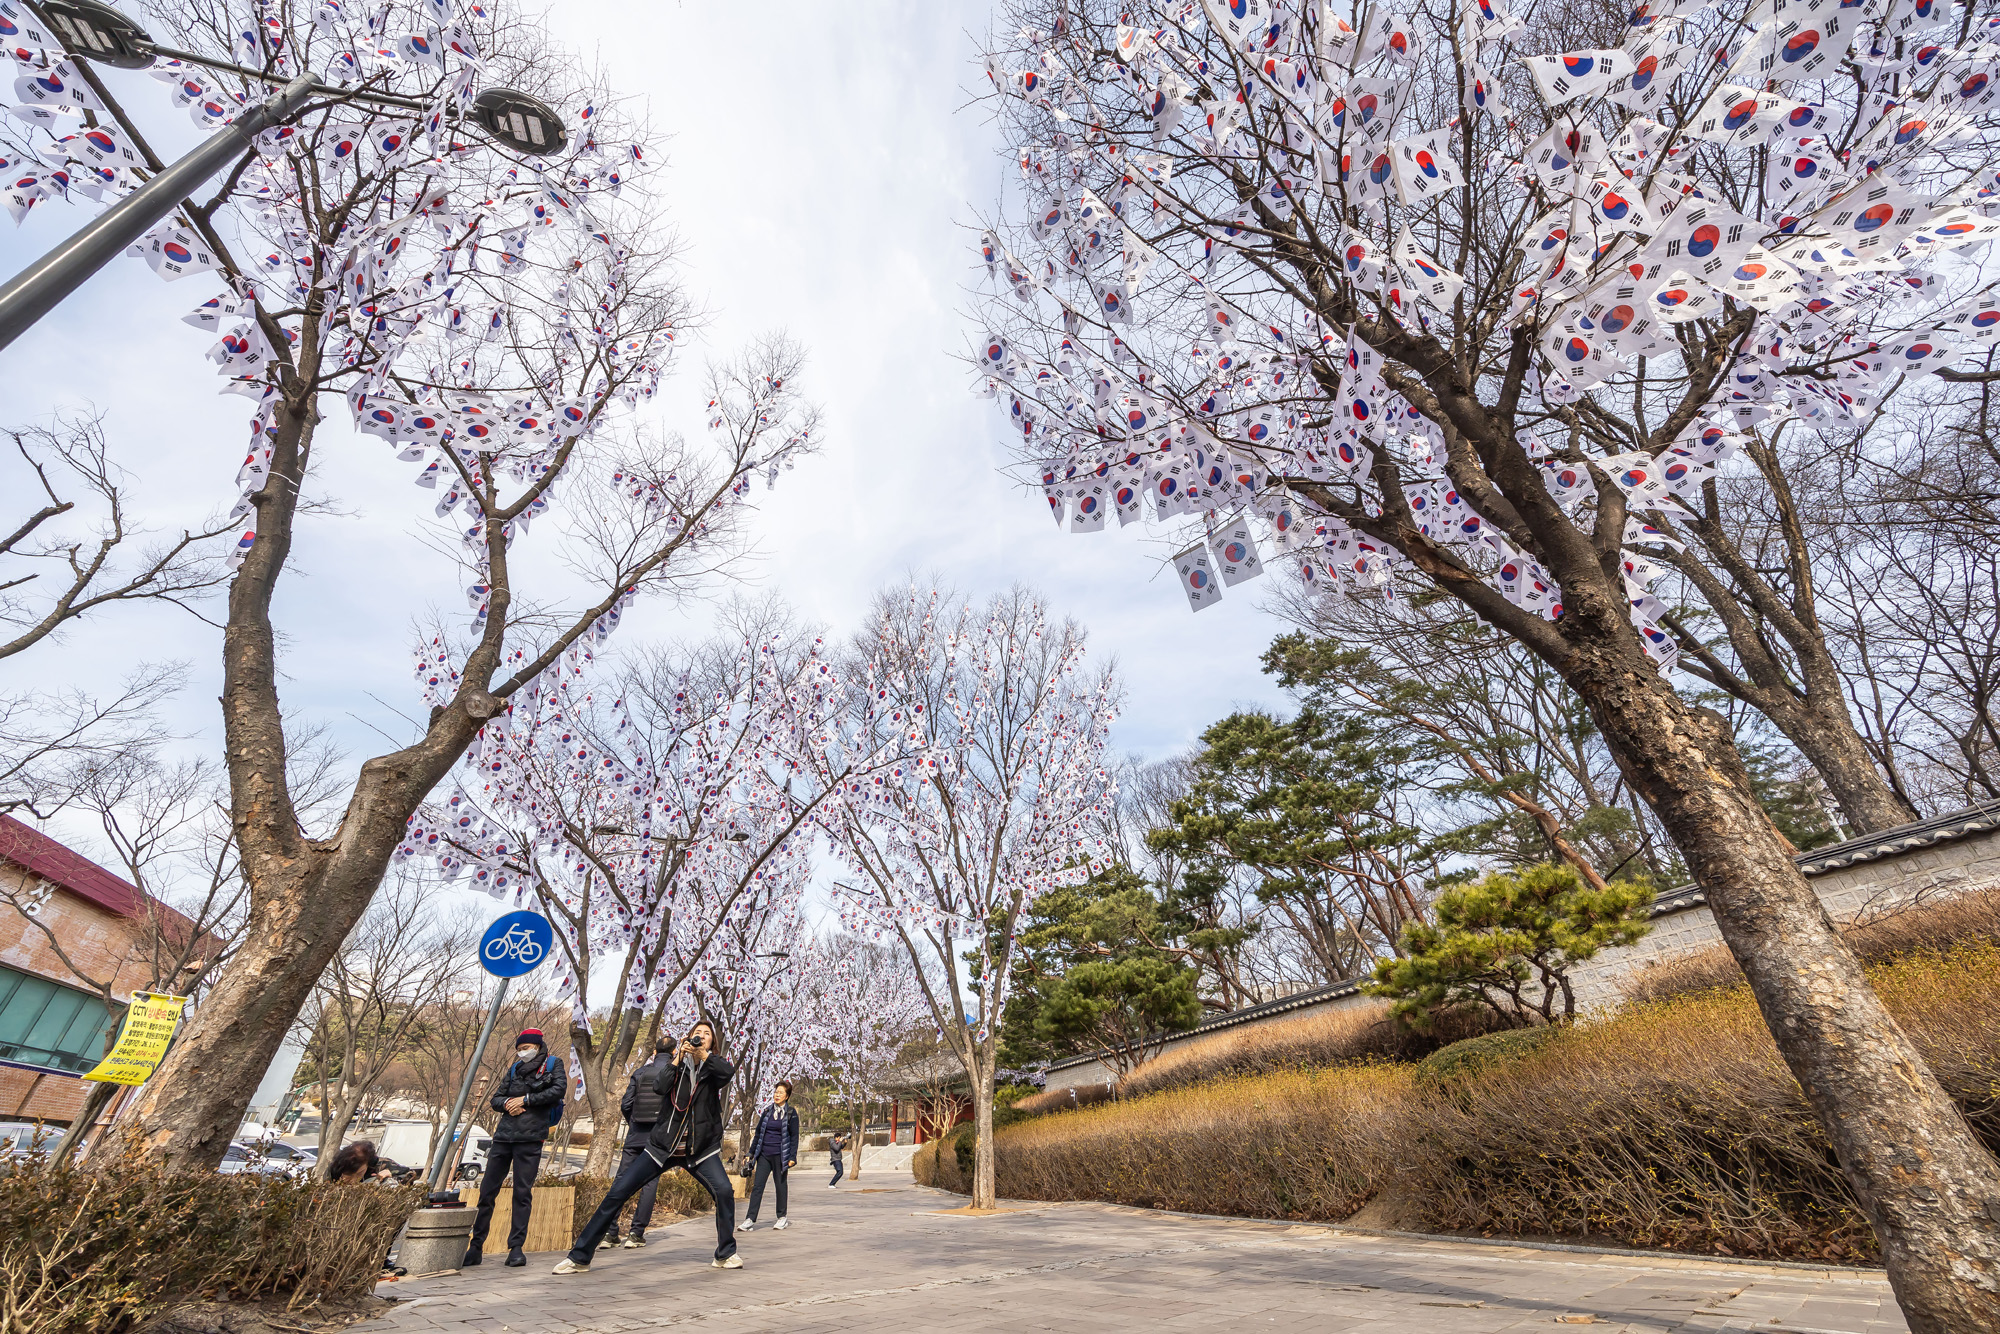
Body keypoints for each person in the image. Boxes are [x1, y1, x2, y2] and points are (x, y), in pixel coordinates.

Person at [553, 1020, 740, 1274]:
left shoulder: (712, 1070)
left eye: (707, 1035)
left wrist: (704, 1056)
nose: (701, 1037)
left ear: (712, 1044)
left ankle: (725, 1254)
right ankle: (580, 1256)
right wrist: (678, 1059)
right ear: (687, 1039)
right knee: (618, 1191)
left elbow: (728, 1073)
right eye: (697, 1033)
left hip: (699, 1150)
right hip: (661, 1147)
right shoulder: (677, 1067)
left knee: (725, 1192)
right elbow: (660, 1086)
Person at [465, 1029, 566, 1270]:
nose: (523, 1052)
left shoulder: (553, 1064)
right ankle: (476, 1246)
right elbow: (496, 1098)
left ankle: (516, 1248)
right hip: (503, 1136)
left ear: (539, 1046)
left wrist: (526, 1100)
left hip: (531, 1138)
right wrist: (509, 1104)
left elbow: (558, 1091)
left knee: (522, 1193)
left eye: (527, 1047)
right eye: (520, 1049)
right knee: (487, 1192)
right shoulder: (513, 1068)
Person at [605, 1037, 677, 1249]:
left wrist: (634, 1123)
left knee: (621, 1180)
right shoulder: (674, 1073)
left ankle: (610, 1232)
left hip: (635, 1134)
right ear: (674, 1052)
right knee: (649, 1183)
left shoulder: (640, 1072)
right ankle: (636, 1234)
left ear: (654, 1051)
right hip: (658, 1138)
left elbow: (626, 1103)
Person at [741, 1081, 799, 1231]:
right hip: (764, 1155)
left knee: (780, 1187)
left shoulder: (791, 1113)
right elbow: (759, 1134)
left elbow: (794, 1137)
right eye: (776, 1092)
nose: (777, 1095)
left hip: (781, 1156)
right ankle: (749, 1219)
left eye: (780, 1093)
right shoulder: (767, 1112)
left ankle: (782, 1217)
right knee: (757, 1187)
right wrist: (751, 1153)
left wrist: (792, 1157)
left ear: (787, 1096)